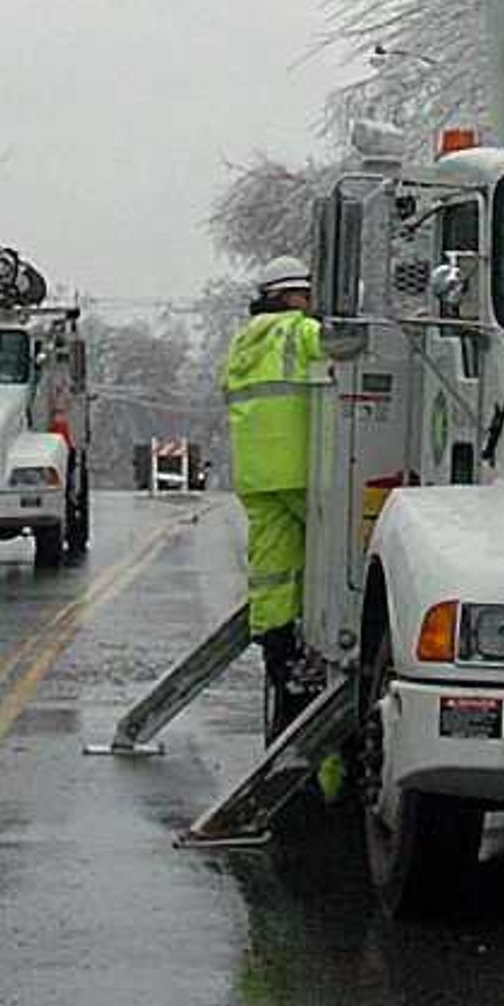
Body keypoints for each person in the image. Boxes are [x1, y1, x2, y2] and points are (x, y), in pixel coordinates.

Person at [223, 259, 325, 735]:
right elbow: (340, 350)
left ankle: (278, 655)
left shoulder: (244, 342)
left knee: (272, 571)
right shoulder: (299, 332)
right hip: (304, 468)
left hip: (257, 475)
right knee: (331, 566)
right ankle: (317, 655)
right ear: (293, 296)